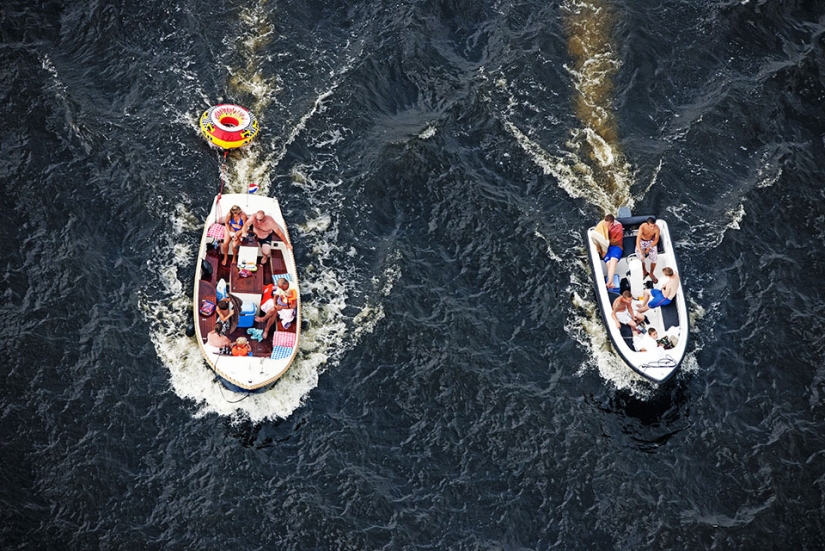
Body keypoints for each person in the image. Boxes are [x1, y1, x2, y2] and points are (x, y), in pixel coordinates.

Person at [593, 214, 623, 289]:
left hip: (616, 247)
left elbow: (617, 241)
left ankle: (609, 281)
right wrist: (602, 243)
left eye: (607, 225)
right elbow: (597, 234)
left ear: (612, 223)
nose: (605, 226)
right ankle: (611, 282)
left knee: (613, 261)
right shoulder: (601, 224)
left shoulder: (618, 226)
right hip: (604, 247)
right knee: (608, 263)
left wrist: (607, 241)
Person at [635, 217, 661, 283]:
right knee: (640, 258)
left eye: (654, 226)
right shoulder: (643, 227)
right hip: (642, 241)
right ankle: (644, 271)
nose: (652, 228)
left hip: (651, 242)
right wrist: (641, 253)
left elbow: (656, 239)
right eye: (651, 226)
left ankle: (651, 273)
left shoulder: (657, 228)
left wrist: (649, 247)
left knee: (655, 258)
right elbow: (637, 241)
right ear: (647, 224)